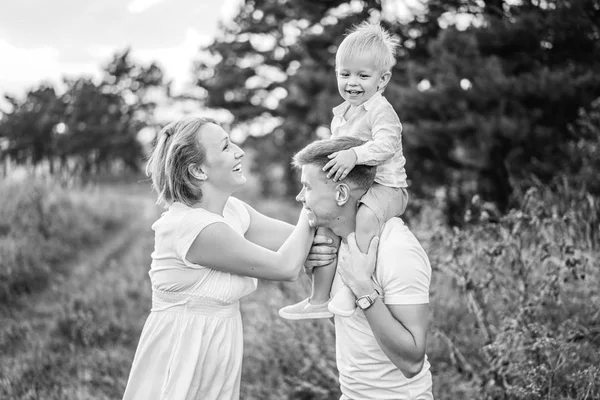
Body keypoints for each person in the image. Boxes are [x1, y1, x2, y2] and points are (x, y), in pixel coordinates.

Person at [122, 117, 337, 400]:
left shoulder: (232, 211)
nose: (240, 151)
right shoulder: (192, 226)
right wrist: (312, 202)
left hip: (218, 347)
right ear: (198, 170)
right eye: (225, 147)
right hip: (182, 353)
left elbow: (298, 243)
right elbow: (285, 266)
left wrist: (315, 238)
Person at [279, 21, 409, 319]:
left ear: (382, 79)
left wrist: (354, 154)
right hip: (357, 188)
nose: (352, 82)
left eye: (363, 76)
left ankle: (353, 287)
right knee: (325, 221)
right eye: (345, 74)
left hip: (387, 189)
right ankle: (319, 299)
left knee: (363, 219)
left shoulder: (380, 110)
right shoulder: (341, 114)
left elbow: (386, 146)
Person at [292, 137, 433, 399]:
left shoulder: (397, 251)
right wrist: (315, 272)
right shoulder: (339, 245)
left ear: (341, 193)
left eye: (307, 187)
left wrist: (363, 290)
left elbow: (412, 362)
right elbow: (353, 326)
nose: (300, 197)